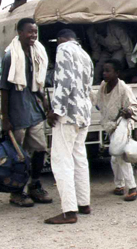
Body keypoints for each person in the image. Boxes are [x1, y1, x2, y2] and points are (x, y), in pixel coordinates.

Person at [0, 18, 52, 207]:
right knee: (17, 155)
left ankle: (35, 185)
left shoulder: (35, 53)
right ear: (19, 32)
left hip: (34, 111)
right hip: (17, 113)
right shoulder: (10, 57)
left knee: (40, 150)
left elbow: (37, 83)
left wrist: (46, 103)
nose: (33, 36)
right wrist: (5, 118)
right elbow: (4, 89)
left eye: (35, 32)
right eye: (30, 32)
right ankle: (16, 192)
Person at [45, 29, 94, 224]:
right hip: (83, 113)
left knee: (61, 160)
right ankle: (84, 203)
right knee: (79, 158)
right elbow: (87, 86)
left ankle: (69, 212)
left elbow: (64, 81)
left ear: (60, 39)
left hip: (68, 114)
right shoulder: (85, 54)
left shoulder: (64, 49)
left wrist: (56, 109)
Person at [92, 59, 137, 201]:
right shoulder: (103, 86)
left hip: (122, 123)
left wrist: (129, 111)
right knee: (114, 158)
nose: (105, 74)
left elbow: (134, 105)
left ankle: (132, 188)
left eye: (108, 71)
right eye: (104, 71)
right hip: (110, 124)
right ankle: (119, 185)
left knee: (119, 154)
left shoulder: (123, 88)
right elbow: (98, 102)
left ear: (117, 73)